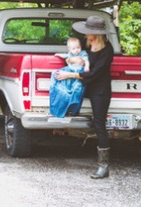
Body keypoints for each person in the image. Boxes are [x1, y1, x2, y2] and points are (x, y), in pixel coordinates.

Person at [54, 15, 114, 179]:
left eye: (89, 32)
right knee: (61, 91)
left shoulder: (107, 50)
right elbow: (76, 54)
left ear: (97, 34)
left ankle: (103, 166)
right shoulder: (86, 43)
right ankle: (58, 121)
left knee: (99, 124)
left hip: (99, 89)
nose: (86, 35)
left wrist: (69, 75)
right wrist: (70, 58)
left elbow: (93, 74)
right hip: (83, 86)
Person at [49, 37, 88, 118]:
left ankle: (73, 106)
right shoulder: (70, 54)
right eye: (74, 48)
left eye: (78, 47)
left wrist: (87, 66)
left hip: (78, 71)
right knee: (56, 73)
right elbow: (65, 55)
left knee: (77, 87)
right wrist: (58, 55)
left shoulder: (83, 53)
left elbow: (86, 60)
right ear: (69, 49)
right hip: (70, 70)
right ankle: (64, 99)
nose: (76, 50)